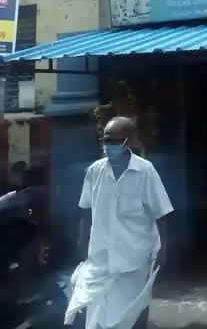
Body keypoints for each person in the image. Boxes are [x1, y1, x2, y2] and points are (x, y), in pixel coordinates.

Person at [67, 117, 173, 329]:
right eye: (105, 140)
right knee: (97, 314)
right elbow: (86, 211)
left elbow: (162, 214)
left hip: (135, 260)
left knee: (134, 313)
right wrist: (82, 240)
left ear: (129, 141)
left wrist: (164, 250)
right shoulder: (94, 171)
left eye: (114, 141)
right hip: (101, 259)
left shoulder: (145, 171)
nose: (108, 146)